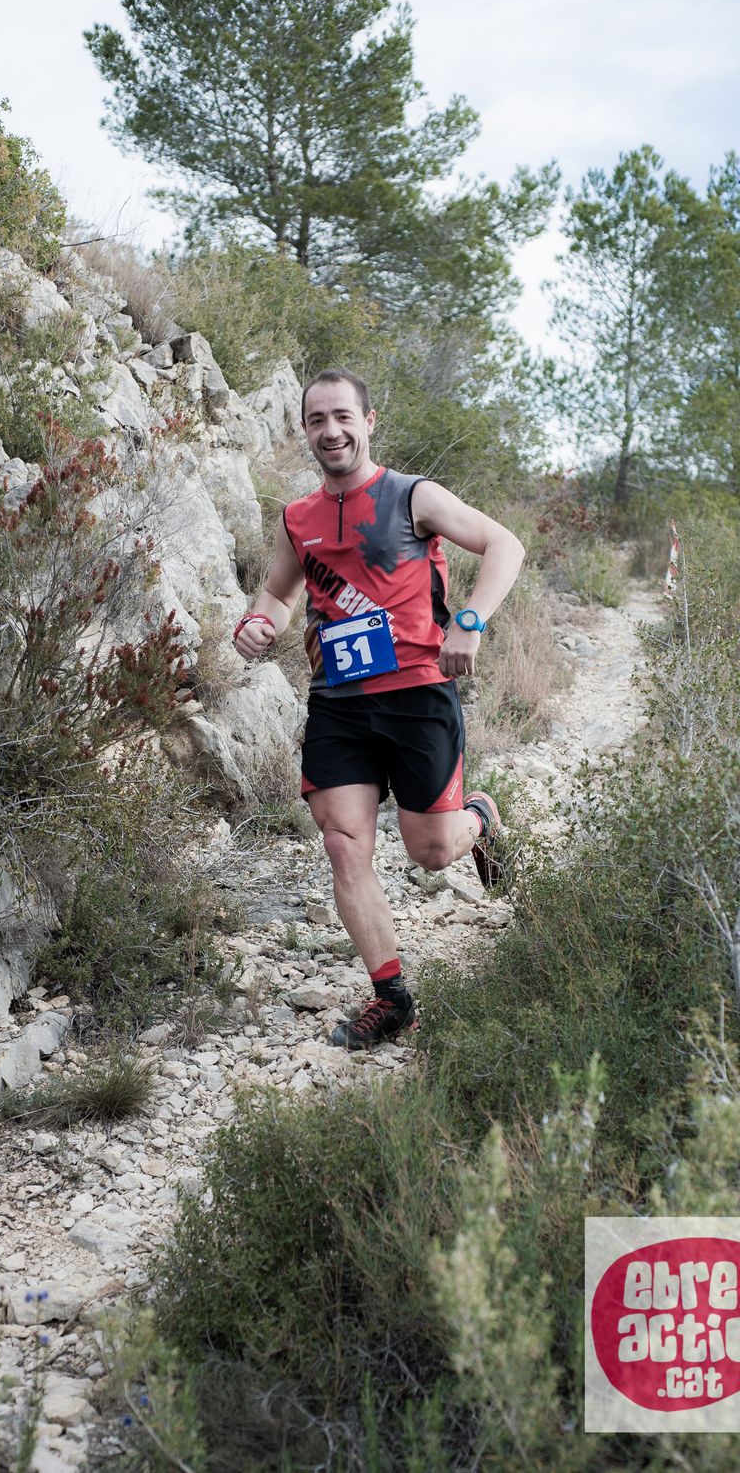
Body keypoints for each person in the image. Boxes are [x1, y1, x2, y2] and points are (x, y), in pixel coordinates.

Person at [233, 368, 525, 1049]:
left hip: (418, 695)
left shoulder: (414, 496)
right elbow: (278, 594)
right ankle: (392, 999)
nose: (330, 431)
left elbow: (505, 545)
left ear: (368, 421)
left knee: (431, 851)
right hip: (338, 703)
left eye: (343, 416)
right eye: (316, 420)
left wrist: (470, 621)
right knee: (343, 844)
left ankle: (479, 818)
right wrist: (259, 622)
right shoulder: (297, 520)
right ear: (304, 431)